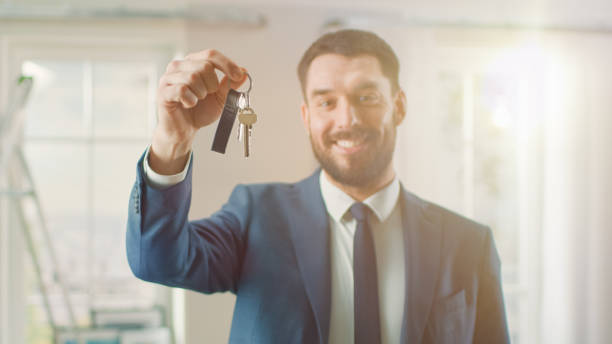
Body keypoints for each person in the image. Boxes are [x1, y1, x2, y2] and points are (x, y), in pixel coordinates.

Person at [126, 29, 510, 344]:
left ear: (400, 107)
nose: (348, 119)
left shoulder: (468, 245)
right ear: (306, 117)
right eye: (326, 102)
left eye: (367, 97)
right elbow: (156, 261)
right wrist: (171, 140)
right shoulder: (256, 216)